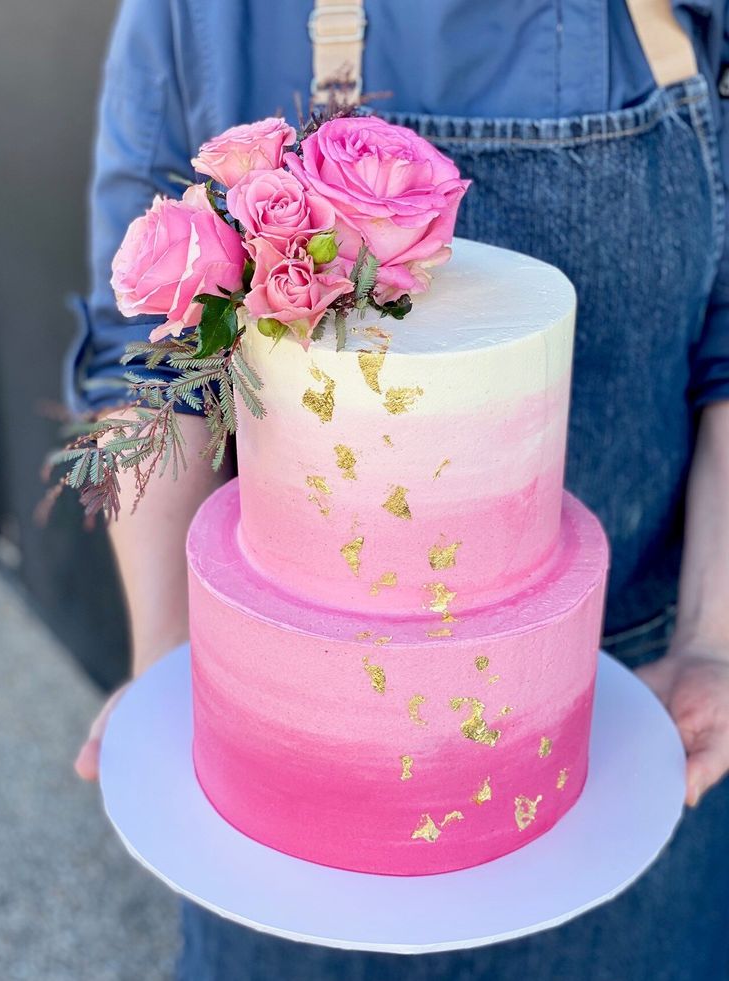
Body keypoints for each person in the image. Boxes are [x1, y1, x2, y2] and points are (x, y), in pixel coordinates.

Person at [68, 1, 729, 978]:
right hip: (286, 789)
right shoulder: (196, 15)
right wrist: (182, 671)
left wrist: (711, 641)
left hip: (616, 740)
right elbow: (144, 359)